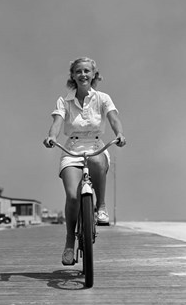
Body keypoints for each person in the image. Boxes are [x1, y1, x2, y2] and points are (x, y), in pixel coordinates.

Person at [43, 57, 126, 265]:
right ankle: (70, 242)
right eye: (78, 71)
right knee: (72, 197)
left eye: (87, 71)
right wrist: (52, 136)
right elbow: (57, 122)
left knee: (98, 162)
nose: (83, 75)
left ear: (94, 74)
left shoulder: (103, 98)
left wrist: (120, 134)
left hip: (96, 145)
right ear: (73, 75)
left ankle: (101, 206)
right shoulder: (64, 101)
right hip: (72, 149)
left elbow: (114, 119)